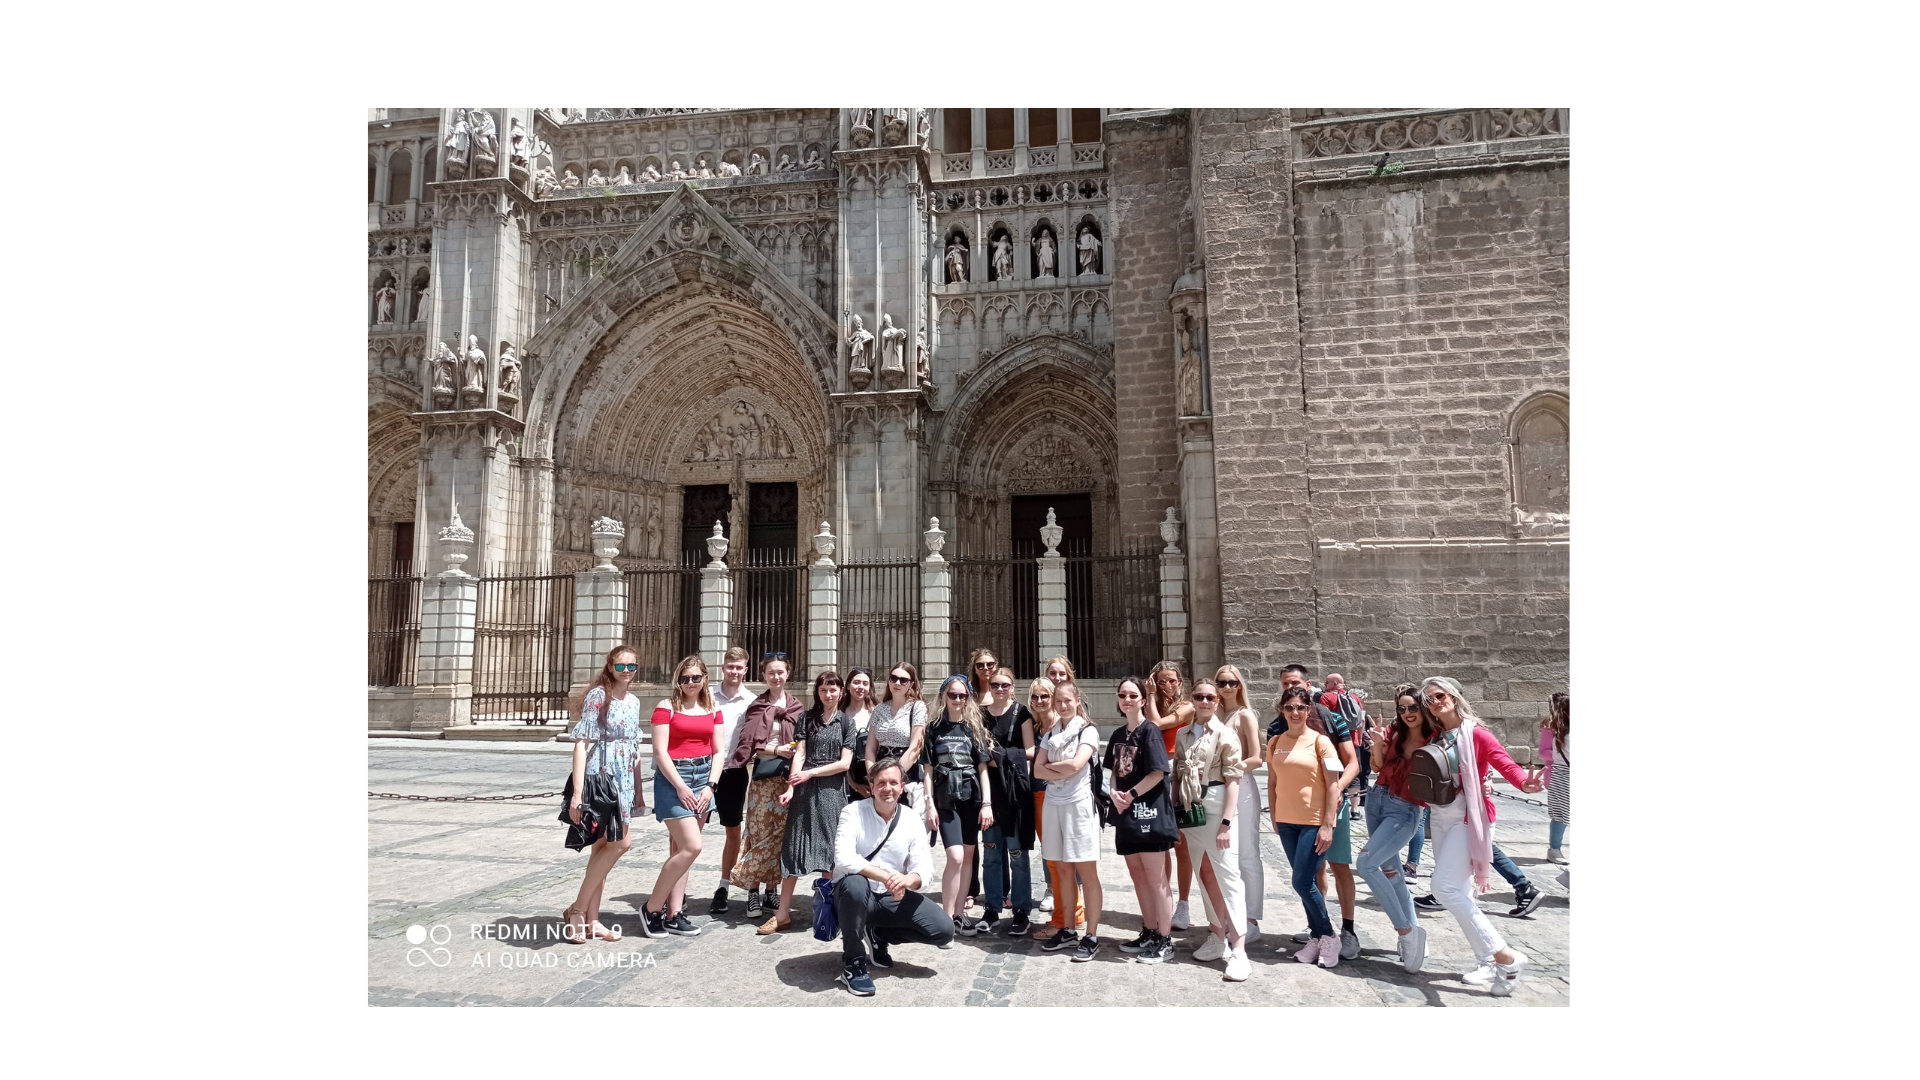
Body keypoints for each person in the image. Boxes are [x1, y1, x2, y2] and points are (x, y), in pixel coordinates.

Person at [1418, 676, 1545, 996]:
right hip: (1442, 817)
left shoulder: (1475, 732)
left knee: (1443, 887)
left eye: (1441, 694)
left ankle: (1506, 957)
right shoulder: (1436, 735)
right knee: (1461, 892)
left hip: (1468, 818)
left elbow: (1504, 762)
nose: (1437, 701)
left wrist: (1524, 784)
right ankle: (1488, 960)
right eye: (1430, 699)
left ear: (1454, 695)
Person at [833, 757, 955, 997]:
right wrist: (888, 876)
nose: (887, 789)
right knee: (855, 883)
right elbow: (844, 858)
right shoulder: (853, 811)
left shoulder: (910, 818)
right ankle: (854, 963)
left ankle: (878, 933)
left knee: (943, 930)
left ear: (902, 786)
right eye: (881, 783)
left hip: (890, 896)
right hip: (854, 898)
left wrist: (907, 880)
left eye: (893, 783)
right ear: (871, 785)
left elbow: (925, 867)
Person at [1277, 663, 1361, 959]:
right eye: (1287, 686)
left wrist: (1336, 792)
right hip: (1295, 813)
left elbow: (1351, 762)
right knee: (1310, 872)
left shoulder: (1331, 719)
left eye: (1296, 684)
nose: (1292, 692)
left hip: (1329, 806)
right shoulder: (1278, 726)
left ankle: (1347, 930)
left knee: (1338, 865)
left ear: (1308, 685)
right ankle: (1319, 931)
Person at [562, 647, 646, 944]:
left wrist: (637, 791)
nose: (626, 671)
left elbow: (634, 749)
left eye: (631, 666)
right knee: (621, 842)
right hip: (601, 778)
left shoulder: (634, 701)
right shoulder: (599, 696)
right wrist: (577, 793)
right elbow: (581, 744)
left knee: (603, 850)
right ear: (610, 667)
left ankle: (591, 920)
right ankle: (577, 910)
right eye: (621, 666)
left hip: (623, 780)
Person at [761, 671, 855, 934]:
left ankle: (827, 913)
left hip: (832, 792)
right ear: (818, 692)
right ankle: (782, 914)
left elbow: (844, 764)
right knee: (793, 849)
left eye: (833, 689)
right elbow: (800, 754)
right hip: (804, 792)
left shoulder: (846, 723)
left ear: (840, 692)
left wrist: (810, 773)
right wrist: (791, 787)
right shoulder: (807, 718)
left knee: (828, 853)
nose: (828, 694)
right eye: (824, 689)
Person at [1171, 679, 1251, 981]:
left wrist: (1228, 823)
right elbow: (1177, 775)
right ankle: (1217, 935)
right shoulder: (1183, 734)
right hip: (1192, 811)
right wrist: (1175, 810)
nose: (1204, 702)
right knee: (1204, 873)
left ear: (1217, 701)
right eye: (1199, 697)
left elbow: (1234, 780)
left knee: (1229, 877)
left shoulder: (1226, 734)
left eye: (1210, 697)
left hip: (1217, 808)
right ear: (1192, 700)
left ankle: (1239, 949)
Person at [639, 655, 724, 937]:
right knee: (692, 846)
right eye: (685, 678)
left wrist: (710, 785)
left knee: (682, 853)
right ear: (678, 680)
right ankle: (652, 908)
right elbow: (660, 751)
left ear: (704, 679)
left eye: (695, 678)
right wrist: (680, 787)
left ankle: (674, 913)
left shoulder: (712, 707)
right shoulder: (666, 707)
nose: (690, 683)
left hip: (703, 779)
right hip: (674, 779)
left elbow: (718, 751)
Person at [1266, 685, 1349, 969]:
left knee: (1301, 881)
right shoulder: (1275, 742)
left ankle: (1327, 934)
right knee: (1306, 883)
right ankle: (1316, 937)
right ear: (1282, 710)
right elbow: (1273, 781)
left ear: (1308, 710)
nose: (1295, 712)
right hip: (1287, 822)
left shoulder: (1321, 742)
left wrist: (1328, 824)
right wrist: (1274, 816)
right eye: (1289, 707)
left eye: (1301, 707)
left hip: (1313, 822)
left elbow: (1333, 783)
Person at [1352, 684, 1431, 971]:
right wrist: (1376, 745)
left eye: (1413, 707)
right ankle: (1413, 930)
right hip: (1377, 801)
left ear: (1423, 708)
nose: (1408, 713)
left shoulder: (1435, 737)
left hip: (1406, 808)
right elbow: (1375, 767)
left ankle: (1405, 932)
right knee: (1393, 873)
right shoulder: (1394, 733)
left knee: (1366, 863)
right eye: (1403, 708)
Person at [725, 655, 804, 919]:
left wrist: (791, 752)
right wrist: (775, 749)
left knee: (781, 837)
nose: (776, 677)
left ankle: (772, 890)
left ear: (787, 674)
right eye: (771, 673)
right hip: (762, 781)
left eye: (780, 672)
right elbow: (747, 745)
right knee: (758, 834)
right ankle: (752, 893)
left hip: (787, 780)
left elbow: (803, 742)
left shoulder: (796, 707)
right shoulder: (757, 705)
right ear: (764, 675)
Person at [1032, 679, 1106, 961]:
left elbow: (1077, 765)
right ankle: (1067, 929)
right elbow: (1037, 771)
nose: (1062, 706)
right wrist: (1057, 770)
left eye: (1067, 701)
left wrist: (1052, 767)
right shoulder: (1051, 732)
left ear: (1077, 701)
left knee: (1086, 871)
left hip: (1078, 805)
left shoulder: (1086, 730)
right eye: (1058, 701)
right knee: (1061, 869)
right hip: (1054, 803)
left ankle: (1091, 934)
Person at [1107, 677, 1176, 964]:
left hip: (1149, 812)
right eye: (1123, 695)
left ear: (1143, 700)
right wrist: (1112, 792)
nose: (1127, 699)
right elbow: (1111, 769)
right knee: (1138, 878)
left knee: (1156, 879)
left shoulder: (1150, 732)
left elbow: (1158, 772)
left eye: (1133, 695)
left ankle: (1165, 938)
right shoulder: (1118, 734)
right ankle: (1149, 930)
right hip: (1126, 814)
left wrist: (1131, 794)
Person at [928, 675, 995, 935]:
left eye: (962, 695)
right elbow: (927, 770)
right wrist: (929, 804)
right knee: (954, 856)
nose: (957, 700)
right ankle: (946, 918)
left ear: (968, 698)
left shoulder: (973, 728)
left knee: (968, 856)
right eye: (953, 695)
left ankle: (958, 915)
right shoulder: (934, 728)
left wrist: (986, 804)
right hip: (944, 799)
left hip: (971, 798)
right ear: (944, 695)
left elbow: (983, 769)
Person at [979, 665, 1036, 935]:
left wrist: (999, 754)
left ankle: (1021, 910)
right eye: (995, 685)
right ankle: (991, 908)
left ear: (1012, 687)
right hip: (990, 793)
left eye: (1005, 684)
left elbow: (1031, 751)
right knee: (990, 853)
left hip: (1014, 793)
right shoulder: (980, 715)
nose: (1000, 689)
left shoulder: (1020, 712)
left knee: (1017, 854)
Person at [1214, 664, 1267, 942]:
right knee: (1224, 856)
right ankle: (1229, 914)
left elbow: (1258, 757)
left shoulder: (1245, 715)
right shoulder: (1214, 713)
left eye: (1231, 682)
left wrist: (1229, 770)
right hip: (1217, 789)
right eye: (1221, 682)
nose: (1226, 687)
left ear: (1239, 685)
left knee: (1247, 853)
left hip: (1242, 786)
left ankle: (1251, 918)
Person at [1028, 676, 1083, 930]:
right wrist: (1050, 769)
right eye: (1035, 696)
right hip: (1043, 795)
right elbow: (1038, 771)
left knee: (1065, 860)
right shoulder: (1035, 726)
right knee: (1054, 859)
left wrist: (1047, 767)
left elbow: (1072, 767)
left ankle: (1069, 917)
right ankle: (1066, 916)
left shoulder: (1065, 728)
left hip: (1067, 798)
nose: (1040, 701)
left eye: (1045, 696)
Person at [708, 647, 759, 915]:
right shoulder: (707, 695)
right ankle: (675, 892)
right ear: (723, 666)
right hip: (703, 768)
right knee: (688, 833)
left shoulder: (751, 700)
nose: (734, 671)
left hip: (734, 771)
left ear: (745, 670)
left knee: (732, 829)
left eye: (739, 667)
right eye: (730, 666)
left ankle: (723, 885)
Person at [1145, 661, 1197, 931]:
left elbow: (1155, 725)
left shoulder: (1187, 706)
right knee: (1160, 842)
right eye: (1161, 681)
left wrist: (1151, 696)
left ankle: (1184, 903)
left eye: (1172, 680)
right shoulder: (1149, 704)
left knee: (1180, 843)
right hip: (1156, 775)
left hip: (1177, 776)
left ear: (1180, 682)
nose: (1167, 686)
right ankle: (1163, 898)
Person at [865, 662, 932, 832]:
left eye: (903, 680)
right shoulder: (880, 708)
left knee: (903, 826)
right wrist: (873, 775)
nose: (897, 683)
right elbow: (871, 748)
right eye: (893, 678)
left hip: (905, 771)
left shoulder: (917, 707)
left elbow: (916, 746)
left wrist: (895, 775)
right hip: (880, 767)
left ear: (911, 684)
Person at [1544, 692, 1570, 862]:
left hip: (1560, 776)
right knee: (1562, 814)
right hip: (1566, 777)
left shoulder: (1562, 734)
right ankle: (1554, 849)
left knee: (1560, 814)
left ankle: (1555, 849)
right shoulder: (1566, 736)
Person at [843, 667, 876, 800]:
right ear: (848, 685)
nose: (860, 687)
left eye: (865, 683)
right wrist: (855, 785)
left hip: (872, 779)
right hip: (847, 781)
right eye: (856, 682)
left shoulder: (876, 713)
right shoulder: (839, 715)